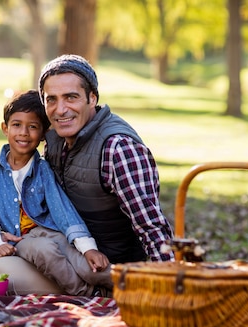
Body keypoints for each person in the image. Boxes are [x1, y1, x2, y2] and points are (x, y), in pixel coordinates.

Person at [0, 90, 111, 296]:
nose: (24, 133)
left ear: (43, 133)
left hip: (53, 232)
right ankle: (88, 293)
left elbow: (63, 210)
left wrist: (87, 247)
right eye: (17, 125)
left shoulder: (43, 170)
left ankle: (134, 285)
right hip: (22, 240)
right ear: (5, 128)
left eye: (33, 127)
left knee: (85, 264)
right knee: (44, 250)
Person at [40, 54, 174, 264]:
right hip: (69, 257)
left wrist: (172, 281)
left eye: (71, 97)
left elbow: (151, 227)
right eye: (51, 99)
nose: (61, 109)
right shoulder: (55, 141)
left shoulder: (118, 149)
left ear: (92, 98)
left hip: (112, 270)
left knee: (9, 272)